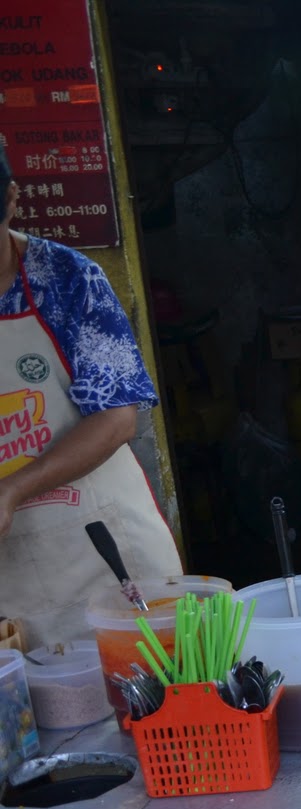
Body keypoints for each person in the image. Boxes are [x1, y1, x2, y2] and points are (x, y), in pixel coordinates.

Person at [0, 146, 181, 647]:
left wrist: (12, 491)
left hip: (103, 548)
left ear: (12, 199)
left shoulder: (67, 280)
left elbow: (118, 417)